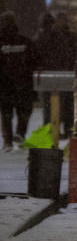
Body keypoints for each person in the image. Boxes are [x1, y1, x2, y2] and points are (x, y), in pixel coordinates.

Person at [0, 12, 39, 151]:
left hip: (4, 85)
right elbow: (35, 61)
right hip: (23, 85)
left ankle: (8, 141)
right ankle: (20, 134)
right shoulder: (25, 41)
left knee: (6, 114)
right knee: (24, 112)